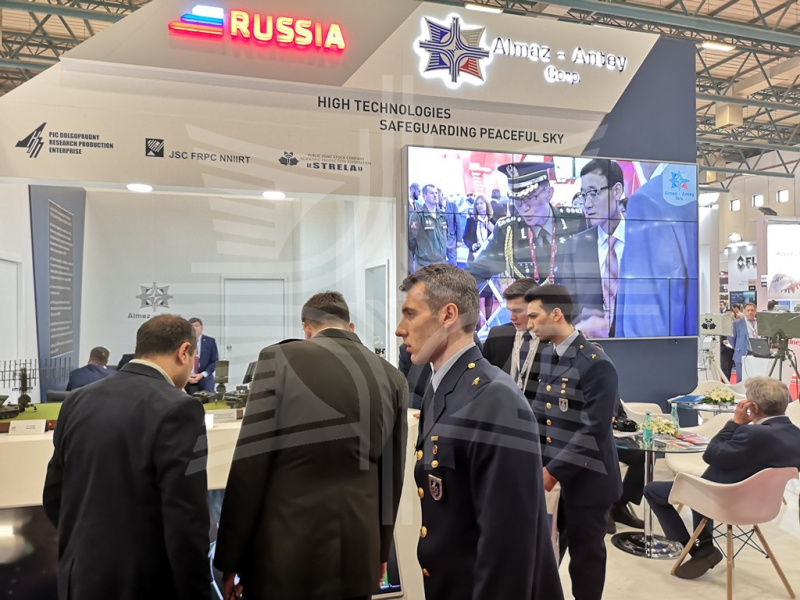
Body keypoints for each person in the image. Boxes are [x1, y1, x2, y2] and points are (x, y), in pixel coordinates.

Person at [214, 291, 408, 600]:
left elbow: (250, 466)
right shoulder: (393, 378)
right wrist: (381, 551)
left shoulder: (278, 359)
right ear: (350, 327)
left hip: (284, 556)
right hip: (357, 555)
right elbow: (391, 479)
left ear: (306, 327)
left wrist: (229, 558)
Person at [396, 264, 562, 600]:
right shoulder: (443, 387)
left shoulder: (495, 400)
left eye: (410, 314)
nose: (400, 329)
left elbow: (509, 553)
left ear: (448, 315)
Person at [43, 315, 209, 600]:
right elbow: (186, 519)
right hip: (144, 583)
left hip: (79, 577)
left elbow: (54, 495)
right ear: (184, 352)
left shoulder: (76, 400)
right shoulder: (181, 409)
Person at [643, 377, 800, 579]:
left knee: (653, 490)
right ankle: (704, 545)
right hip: (763, 505)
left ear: (752, 406)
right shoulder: (795, 435)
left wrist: (734, 423)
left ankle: (697, 550)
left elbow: (711, 454)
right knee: (701, 485)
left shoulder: (752, 434)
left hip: (723, 500)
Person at [525, 284, 622, 600]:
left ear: (556, 314)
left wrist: (553, 472)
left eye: (534, 316)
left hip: (588, 481)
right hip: (553, 479)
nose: (529, 324)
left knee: (585, 562)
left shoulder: (596, 363)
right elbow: (540, 415)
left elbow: (593, 431)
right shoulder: (548, 354)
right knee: (546, 555)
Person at [560, 159, 696, 338]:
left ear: (617, 191)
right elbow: (567, 306)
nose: (587, 204)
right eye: (584, 195)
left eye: (593, 193)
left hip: (636, 343)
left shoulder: (644, 235)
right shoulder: (576, 246)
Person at [466, 162, 584, 286]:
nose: (524, 208)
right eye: (517, 199)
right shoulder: (508, 232)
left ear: (549, 193)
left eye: (530, 198)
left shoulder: (576, 222)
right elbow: (476, 271)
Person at [482, 278, 546, 404]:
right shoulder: (496, 336)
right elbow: (485, 381)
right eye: (509, 310)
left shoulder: (552, 340)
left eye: (517, 311)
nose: (512, 317)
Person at [408, 183, 448, 269]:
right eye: (431, 193)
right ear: (425, 196)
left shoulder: (442, 215)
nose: (435, 195)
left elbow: (445, 236)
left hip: (441, 263)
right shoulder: (418, 216)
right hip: (424, 265)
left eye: (436, 193)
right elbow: (411, 241)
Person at [185, 317, 219, 393]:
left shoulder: (210, 341)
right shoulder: (182, 342)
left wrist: (202, 375)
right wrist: (186, 377)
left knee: (209, 392)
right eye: (192, 326)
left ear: (202, 327)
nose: (194, 328)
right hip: (186, 376)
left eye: (197, 326)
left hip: (204, 375)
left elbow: (214, 361)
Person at [727, 301, 758, 381]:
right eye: (748, 310)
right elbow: (731, 338)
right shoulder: (737, 323)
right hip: (741, 353)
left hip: (756, 354)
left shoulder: (759, 323)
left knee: (755, 378)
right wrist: (738, 347)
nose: (750, 312)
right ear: (744, 311)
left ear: (755, 311)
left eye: (752, 310)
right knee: (740, 379)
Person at [462, 194, 495, 262]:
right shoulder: (471, 221)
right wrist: (472, 245)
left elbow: (499, 239)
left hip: (489, 257)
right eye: (477, 204)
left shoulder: (493, 221)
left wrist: (493, 230)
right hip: (474, 256)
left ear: (487, 205)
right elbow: (465, 237)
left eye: (481, 203)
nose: (479, 205)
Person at [438, 187, 462, 266]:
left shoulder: (452, 206)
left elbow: (458, 223)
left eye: (438, 195)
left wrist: (459, 240)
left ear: (442, 195)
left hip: (451, 240)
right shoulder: (434, 208)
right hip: (438, 243)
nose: (436, 198)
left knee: (453, 264)